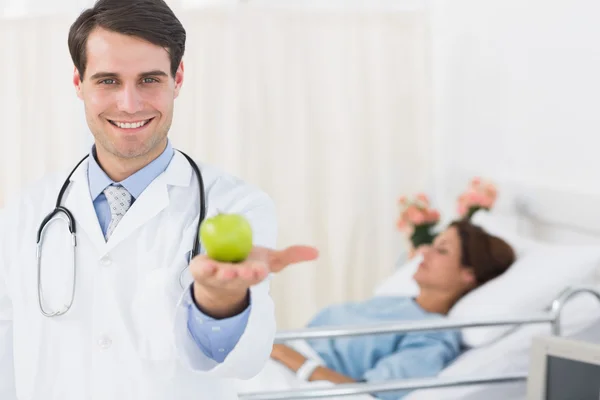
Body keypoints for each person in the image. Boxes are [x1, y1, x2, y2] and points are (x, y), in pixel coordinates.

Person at [0, 1, 318, 399]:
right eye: (108, 81)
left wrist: (220, 303)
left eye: (149, 79)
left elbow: (245, 360)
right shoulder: (27, 210)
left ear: (177, 78)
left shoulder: (235, 205)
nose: (130, 104)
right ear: (78, 83)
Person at [270, 220, 516, 400]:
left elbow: (371, 393)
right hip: (276, 357)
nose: (425, 251)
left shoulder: (435, 334)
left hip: (289, 371)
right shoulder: (392, 302)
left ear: (468, 275)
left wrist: (286, 356)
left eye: (442, 250)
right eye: (432, 244)